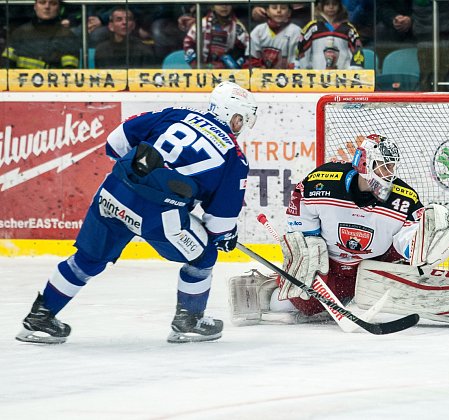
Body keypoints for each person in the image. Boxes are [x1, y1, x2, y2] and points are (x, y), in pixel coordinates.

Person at [15, 81, 258, 345]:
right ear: (234, 117)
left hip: (113, 193)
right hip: (159, 215)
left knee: (87, 259)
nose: (241, 125)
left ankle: (40, 318)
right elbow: (219, 225)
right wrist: (224, 236)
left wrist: (139, 181)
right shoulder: (234, 157)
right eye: (242, 119)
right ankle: (189, 322)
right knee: (203, 257)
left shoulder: (175, 114)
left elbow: (115, 143)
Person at [229, 134, 449, 328]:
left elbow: (409, 243)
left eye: (391, 168)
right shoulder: (322, 182)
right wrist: (305, 245)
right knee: (296, 305)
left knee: (415, 293)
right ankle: (266, 287)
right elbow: (300, 206)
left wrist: (423, 248)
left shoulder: (404, 198)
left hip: (375, 267)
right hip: (331, 268)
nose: (388, 175)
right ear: (363, 164)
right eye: (383, 167)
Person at [0, 0, 79, 69]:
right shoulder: (19, 33)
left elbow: (69, 75)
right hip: (19, 85)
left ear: (59, 8)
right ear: (35, 6)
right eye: (42, 2)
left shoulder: (68, 36)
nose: (47, 7)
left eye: (53, 3)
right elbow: (5, 67)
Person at [296, 0, 364, 70]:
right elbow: (301, 50)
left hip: (343, 76)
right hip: (318, 75)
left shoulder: (348, 28)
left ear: (340, 7)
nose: (331, 7)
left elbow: (357, 50)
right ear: (321, 6)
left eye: (334, 4)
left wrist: (355, 70)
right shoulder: (312, 27)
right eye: (327, 4)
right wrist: (304, 70)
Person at [182, 4, 249, 69]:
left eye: (228, 3)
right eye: (220, 3)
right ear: (212, 6)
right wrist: (196, 65)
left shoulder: (237, 27)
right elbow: (187, 43)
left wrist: (234, 63)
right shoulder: (202, 24)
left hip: (227, 71)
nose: (224, 6)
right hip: (202, 70)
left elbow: (248, 48)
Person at [249, 3, 302, 69]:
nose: (279, 10)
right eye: (274, 8)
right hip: (263, 76)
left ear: (289, 13)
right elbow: (251, 59)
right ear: (267, 12)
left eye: (283, 8)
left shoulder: (296, 31)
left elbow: (299, 60)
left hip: (289, 75)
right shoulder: (258, 31)